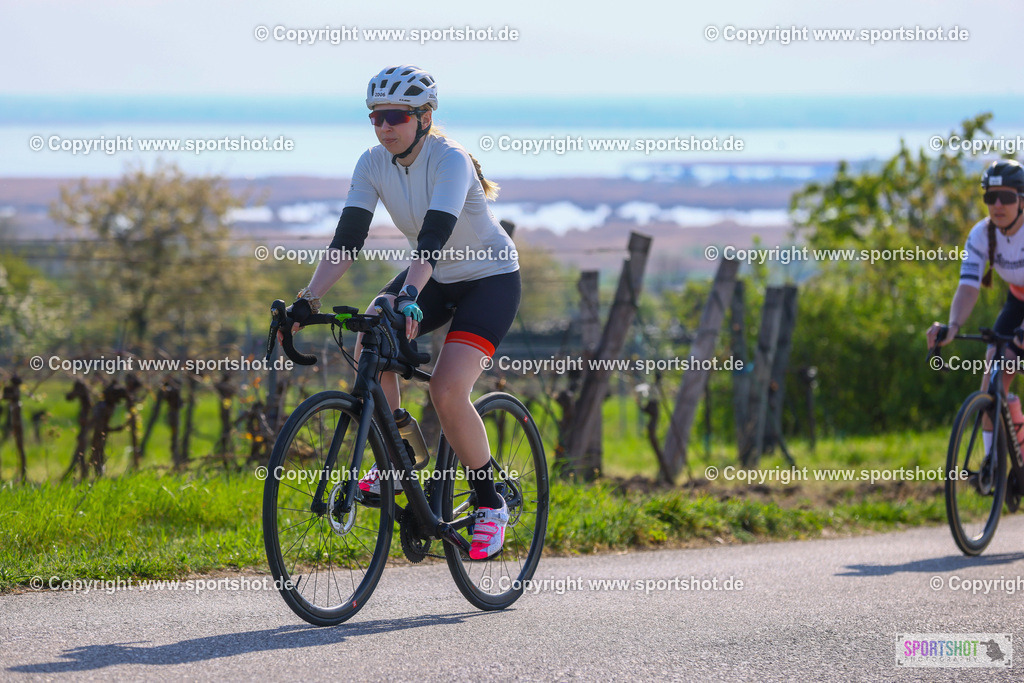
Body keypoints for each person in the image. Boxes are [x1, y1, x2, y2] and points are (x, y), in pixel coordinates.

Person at [285, 65, 520, 560]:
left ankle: (489, 501)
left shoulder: (450, 160)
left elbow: (433, 236)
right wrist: (308, 300)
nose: (385, 127)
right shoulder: (372, 163)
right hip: (433, 276)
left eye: (395, 116)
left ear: (424, 117)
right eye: (376, 118)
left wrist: (410, 295)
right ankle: (402, 455)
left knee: (446, 388)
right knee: (372, 329)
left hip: (488, 279)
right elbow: (348, 239)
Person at [927, 159, 1024, 456]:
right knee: (994, 367)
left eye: (1006, 197)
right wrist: (952, 325)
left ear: (1021, 200)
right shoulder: (982, 234)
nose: (997, 205)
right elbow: (968, 287)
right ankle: (992, 466)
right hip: (1018, 300)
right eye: (989, 197)